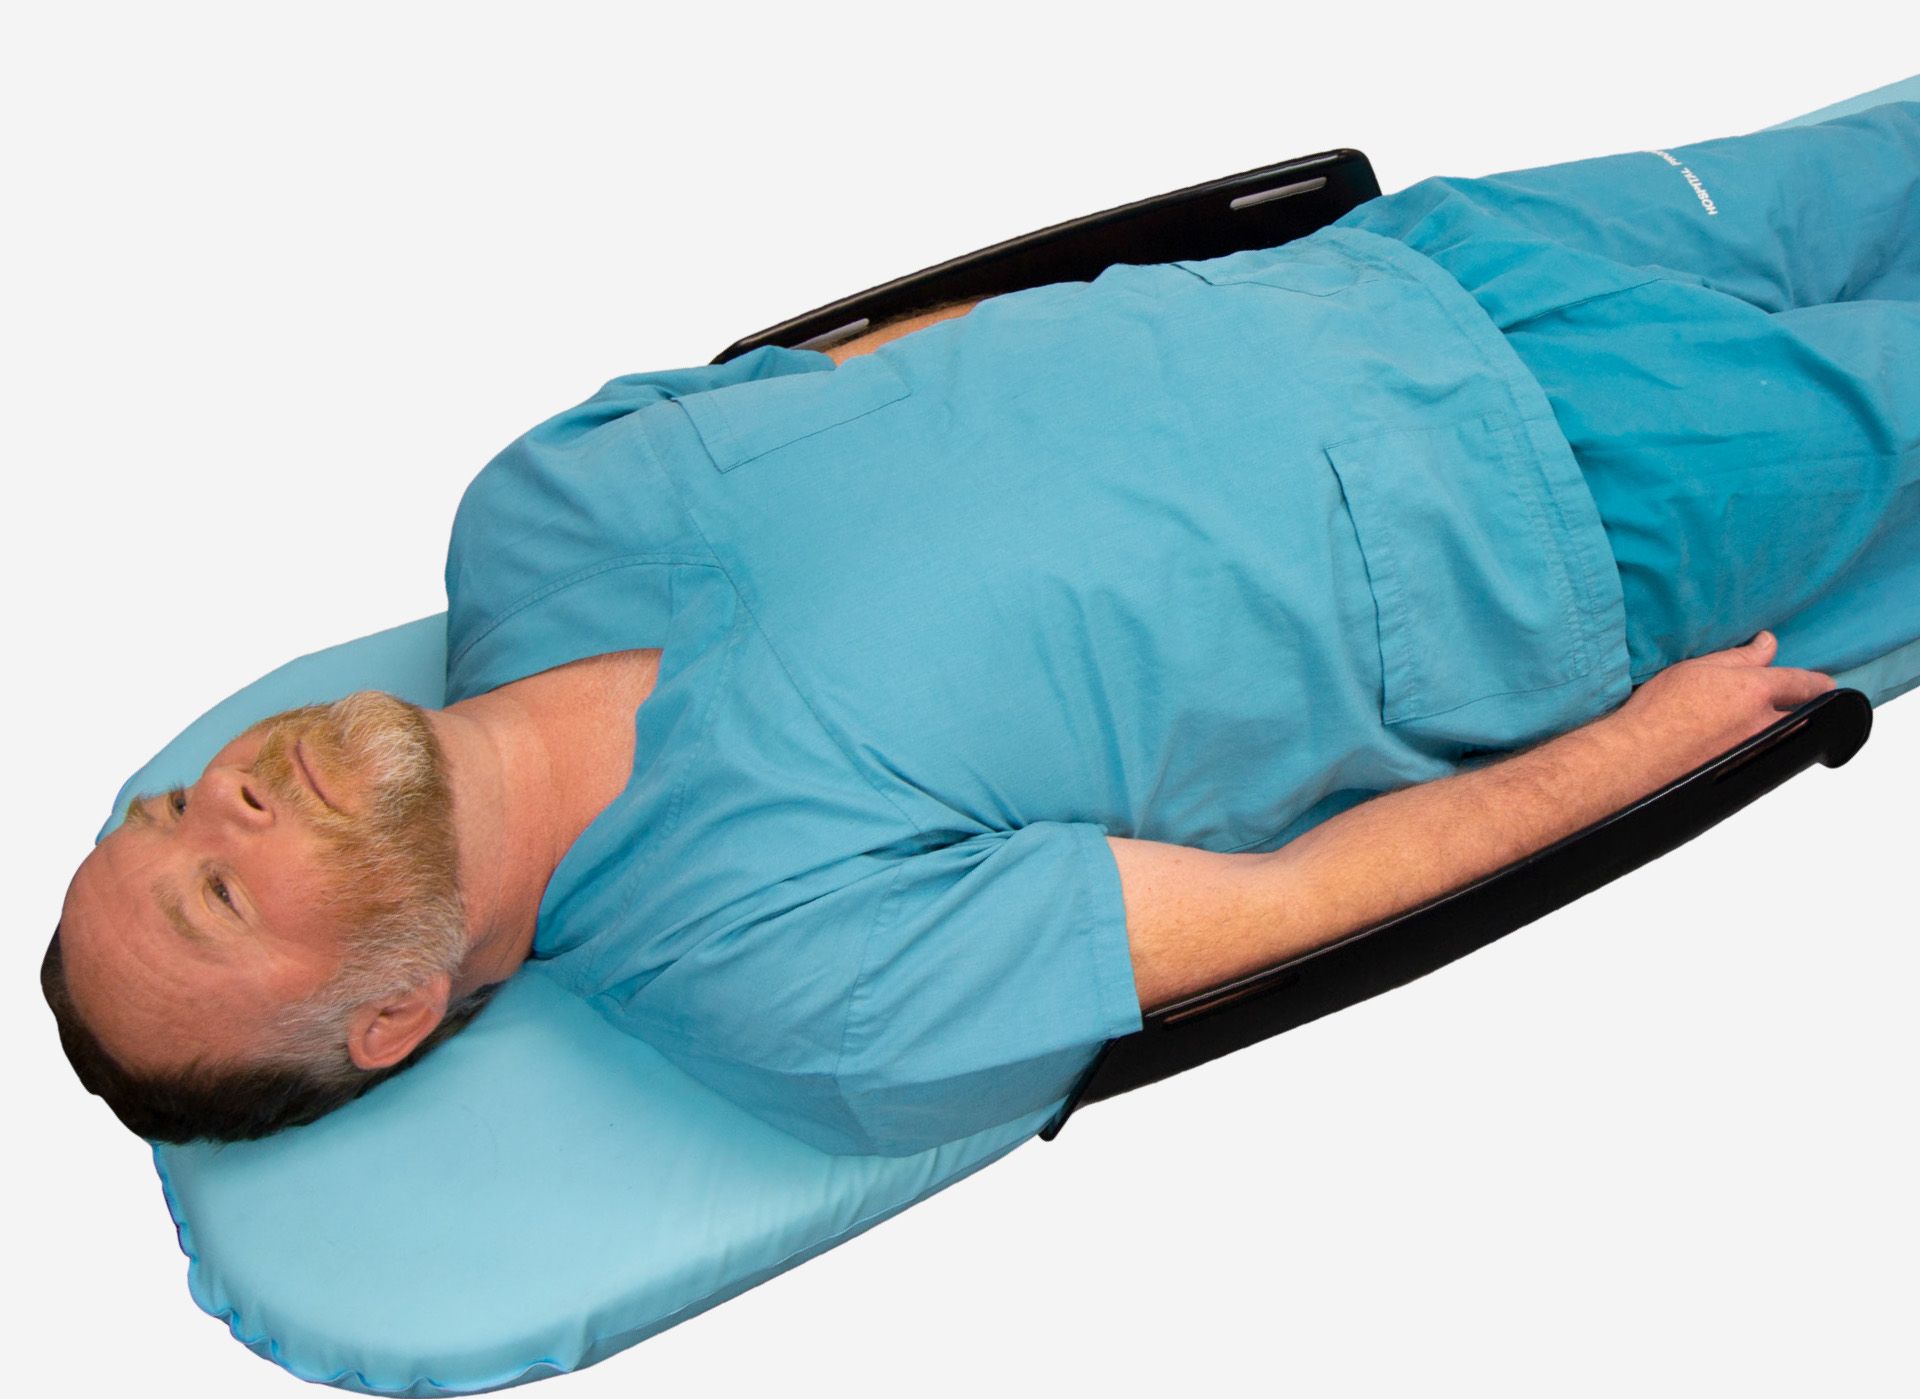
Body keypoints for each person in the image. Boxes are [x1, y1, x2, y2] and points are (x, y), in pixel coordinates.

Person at [44, 101, 1918, 1156]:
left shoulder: (534, 507)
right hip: (1577, 505)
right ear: (391, 1021)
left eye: (163, 817)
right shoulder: (780, 976)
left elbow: (922, 341)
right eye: (220, 893)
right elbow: (1292, 919)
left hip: (1422, 266)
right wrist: (1645, 762)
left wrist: (1261, 254)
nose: (228, 805)